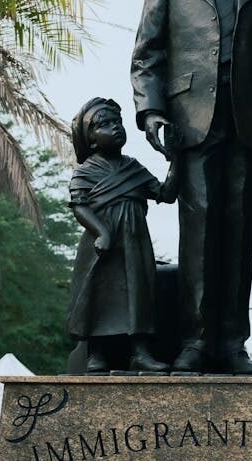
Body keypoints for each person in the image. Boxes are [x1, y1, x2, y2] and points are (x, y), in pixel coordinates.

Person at [131, 0, 252, 374]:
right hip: (190, 114)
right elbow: (147, 52)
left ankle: (234, 342)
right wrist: (151, 109)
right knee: (198, 231)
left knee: (240, 233)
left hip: (250, 114)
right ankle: (197, 340)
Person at [66, 98, 178, 372]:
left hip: (135, 241)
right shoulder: (86, 171)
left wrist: (176, 159)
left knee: (138, 292)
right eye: (104, 124)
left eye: (117, 122)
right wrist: (101, 232)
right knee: (99, 294)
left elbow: (165, 194)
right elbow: (79, 206)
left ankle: (140, 351)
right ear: (90, 140)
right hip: (102, 245)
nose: (115, 127)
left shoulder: (133, 167)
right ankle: (97, 353)